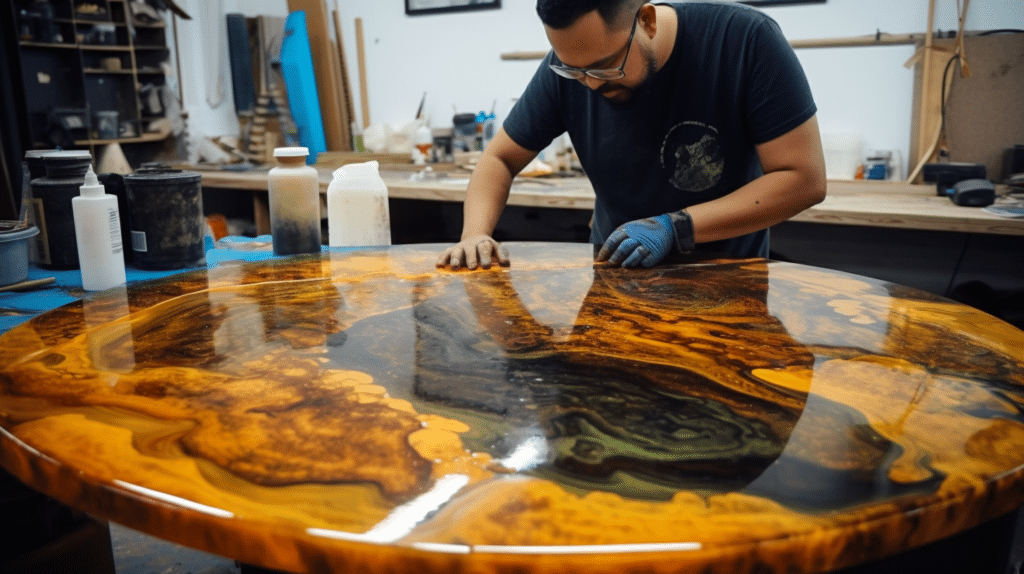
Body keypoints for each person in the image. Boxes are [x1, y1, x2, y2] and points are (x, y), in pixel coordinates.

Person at [436, 0, 827, 270]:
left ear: (647, 21)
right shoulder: (572, 67)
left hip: (726, 280)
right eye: (573, 70)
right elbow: (498, 158)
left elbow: (803, 179)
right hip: (617, 277)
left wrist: (677, 228)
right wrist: (474, 234)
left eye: (605, 68)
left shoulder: (743, 41)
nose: (588, 84)